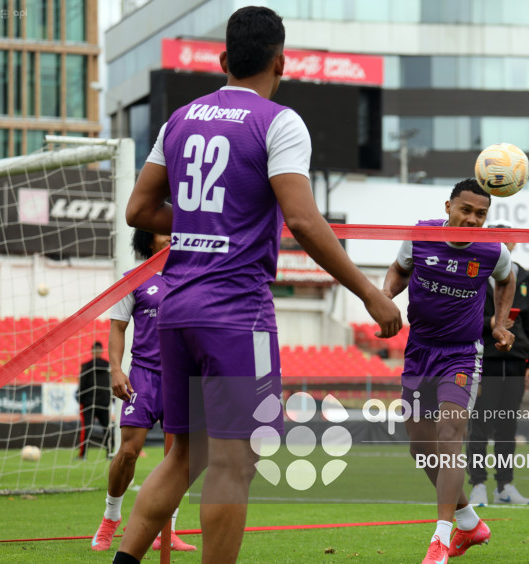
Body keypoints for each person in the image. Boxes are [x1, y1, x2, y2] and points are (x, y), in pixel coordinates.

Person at [113, 7, 401, 564]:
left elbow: (139, 210)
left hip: (175, 309)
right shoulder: (279, 121)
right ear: (281, 62)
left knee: (182, 457)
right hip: (236, 316)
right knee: (233, 463)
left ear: (222, 60)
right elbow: (304, 220)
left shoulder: (179, 120)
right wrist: (370, 292)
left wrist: (208, 215)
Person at [382, 179, 516, 564]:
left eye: (481, 214)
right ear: (448, 206)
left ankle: (440, 540)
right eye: (466, 210)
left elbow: (507, 279)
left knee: (449, 435)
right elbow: (399, 269)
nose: (472, 219)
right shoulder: (420, 236)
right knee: (421, 447)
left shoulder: (493, 250)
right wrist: (385, 297)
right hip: (419, 351)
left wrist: (500, 322)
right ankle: (470, 523)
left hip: (461, 355)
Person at [90, 230, 195, 552]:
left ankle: (169, 530)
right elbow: (117, 328)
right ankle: (110, 519)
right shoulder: (133, 279)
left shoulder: (195, 277)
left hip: (184, 378)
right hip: (145, 376)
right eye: (164, 232)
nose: (171, 237)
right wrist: (116, 369)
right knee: (129, 451)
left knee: (180, 458)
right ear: (148, 239)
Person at [466, 219, 529, 506]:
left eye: (507, 239)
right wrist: (491, 322)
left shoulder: (523, 278)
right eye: (495, 239)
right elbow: (461, 317)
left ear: (514, 243)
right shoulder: (474, 274)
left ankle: (505, 486)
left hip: (517, 361)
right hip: (485, 360)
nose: (503, 244)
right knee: (481, 424)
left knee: (508, 426)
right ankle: (478, 486)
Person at [77, 341, 112, 460]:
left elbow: (82, 384)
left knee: (88, 428)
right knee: (105, 429)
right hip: (101, 402)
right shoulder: (107, 366)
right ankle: (109, 453)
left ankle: (83, 455)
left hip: (90, 402)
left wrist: (80, 400)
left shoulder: (87, 366)